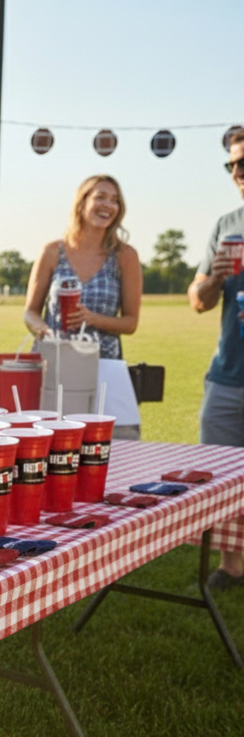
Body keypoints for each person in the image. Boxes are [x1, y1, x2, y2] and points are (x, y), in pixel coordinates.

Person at [24, 175, 143, 438]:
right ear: (82, 202)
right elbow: (30, 312)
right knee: (50, 445)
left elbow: (131, 322)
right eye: (100, 197)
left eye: (114, 200)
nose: (108, 205)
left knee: (111, 445)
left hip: (104, 369)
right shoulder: (52, 251)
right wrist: (43, 330)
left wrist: (91, 318)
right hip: (55, 366)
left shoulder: (125, 255)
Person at [187, 130, 244, 589]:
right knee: (222, 475)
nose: (237, 172)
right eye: (232, 164)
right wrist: (214, 281)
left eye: (243, 162)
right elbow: (197, 299)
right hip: (228, 373)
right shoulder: (227, 224)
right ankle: (232, 566)